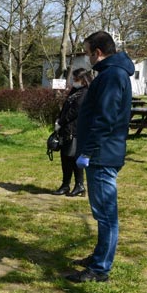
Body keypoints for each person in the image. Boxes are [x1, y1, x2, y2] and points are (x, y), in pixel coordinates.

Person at [67, 30, 133, 283]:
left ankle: (100, 269)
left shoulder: (113, 75)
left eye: (87, 52)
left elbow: (105, 119)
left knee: (106, 214)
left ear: (97, 52)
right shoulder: (109, 74)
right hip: (101, 152)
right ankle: (98, 256)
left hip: (103, 154)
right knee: (101, 213)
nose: (87, 58)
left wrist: (88, 151)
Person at [52, 68, 92, 197]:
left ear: (83, 79)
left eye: (76, 79)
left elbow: (74, 111)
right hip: (66, 129)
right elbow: (66, 107)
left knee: (74, 158)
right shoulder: (75, 91)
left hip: (75, 130)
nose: (74, 81)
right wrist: (58, 119)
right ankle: (65, 185)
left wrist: (61, 122)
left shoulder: (85, 92)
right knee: (65, 158)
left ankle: (79, 185)